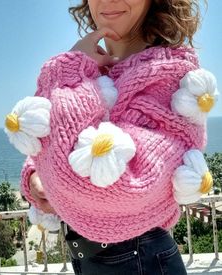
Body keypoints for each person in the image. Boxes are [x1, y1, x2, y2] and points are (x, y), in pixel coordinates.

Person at [16, 0, 218, 274]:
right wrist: (35, 177)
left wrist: (65, 70)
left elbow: (104, 184)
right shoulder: (89, 69)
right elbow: (44, 141)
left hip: (140, 262)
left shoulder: (171, 78)